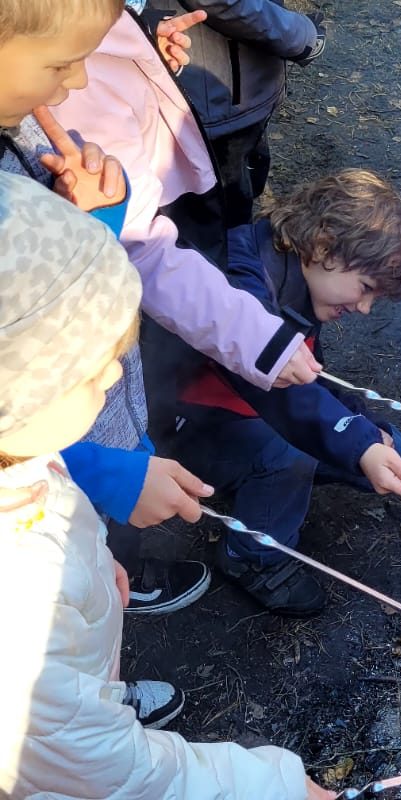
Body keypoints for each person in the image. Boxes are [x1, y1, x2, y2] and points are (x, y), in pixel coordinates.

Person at [0, 172, 333, 800]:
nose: (115, 374)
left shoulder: (21, 453)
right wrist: (277, 786)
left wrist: (94, 558)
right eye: (89, 367)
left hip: (68, 697)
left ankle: (104, 694)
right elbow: (121, 775)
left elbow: (44, 476)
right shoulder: (17, 604)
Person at [0, 0, 222, 623]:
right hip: (42, 506)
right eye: (63, 62)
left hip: (72, 457)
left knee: (91, 579)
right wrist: (97, 472)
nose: (75, 83)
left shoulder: (20, 126)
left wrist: (96, 222)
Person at [163, 170, 401, 616]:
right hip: (179, 423)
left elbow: (309, 379)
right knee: (290, 456)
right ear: (324, 246)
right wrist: (356, 443)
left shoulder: (301, 282)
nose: (364, 308)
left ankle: (263, 481)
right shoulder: (242, 275)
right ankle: (252, 558)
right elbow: (271, 389)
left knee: (394, 447)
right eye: (365, 289)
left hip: (250, 412)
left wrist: (364, 429)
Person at [145, 0, 327, 226]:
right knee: (224, 217)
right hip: (216, 98)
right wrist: (302, 36)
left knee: (242, 187)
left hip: (238, 86)